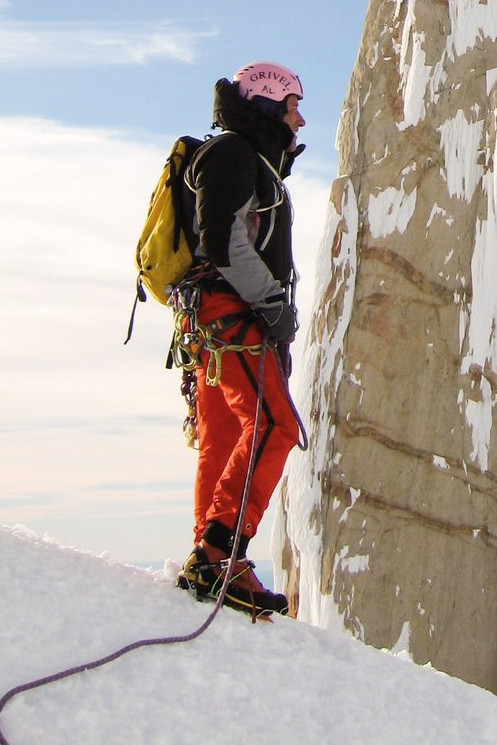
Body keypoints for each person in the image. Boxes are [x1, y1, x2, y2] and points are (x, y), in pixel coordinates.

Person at [174, 61, 305, 617]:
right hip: (234, 313)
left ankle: (211, 553)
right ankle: (220, 551)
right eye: (292, 106)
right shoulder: (232, 155)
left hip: (214, 317)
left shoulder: (245, 159)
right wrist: (272, 304)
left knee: (225, 432)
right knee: (274, 424)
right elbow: (224, 238)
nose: (298, 120)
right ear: (268, 106)